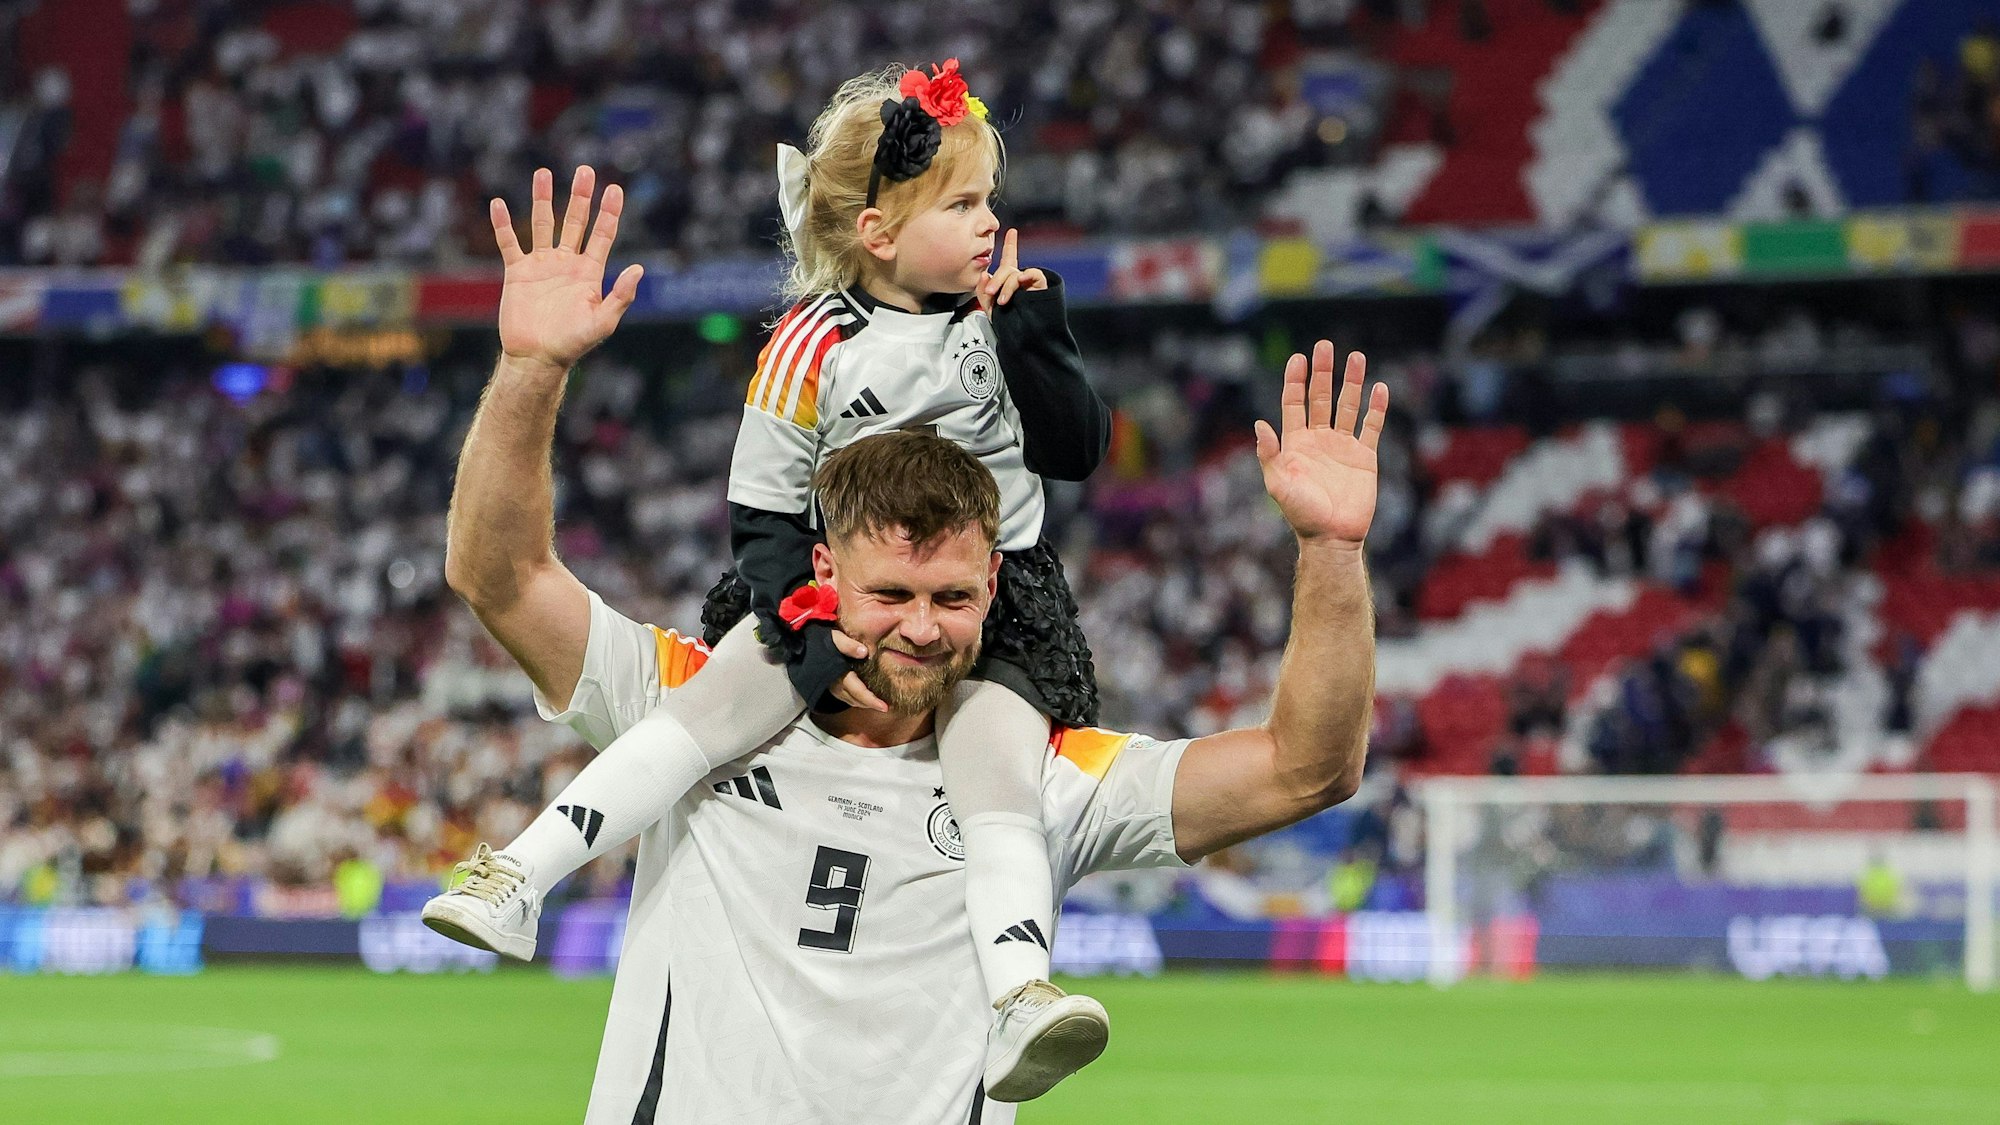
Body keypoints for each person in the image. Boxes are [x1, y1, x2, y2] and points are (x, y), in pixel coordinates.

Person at [429, 165, 1386, 1124]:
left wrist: (1333, 551)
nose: (922, 626)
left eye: (953, 596)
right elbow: (500, 576)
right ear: (823, 571)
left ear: (998, 588)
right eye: (890, 592)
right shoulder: (688, 696)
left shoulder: (1046, 775)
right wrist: (531, 368)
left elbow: (1307, 770)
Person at [424, 60, 1117, 1099]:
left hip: (997, 606)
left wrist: (1037, 339)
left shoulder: (1003, 317)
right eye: (962, 203)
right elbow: (762, 507)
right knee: (698, 718)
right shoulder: (811, 341)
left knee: (999, 778)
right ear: (877, 232)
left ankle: (1019, 995)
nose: (988, 224)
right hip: (818, 595)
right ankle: (518, 873)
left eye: (989, 201)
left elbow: (1073, 452)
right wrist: (805, 619)